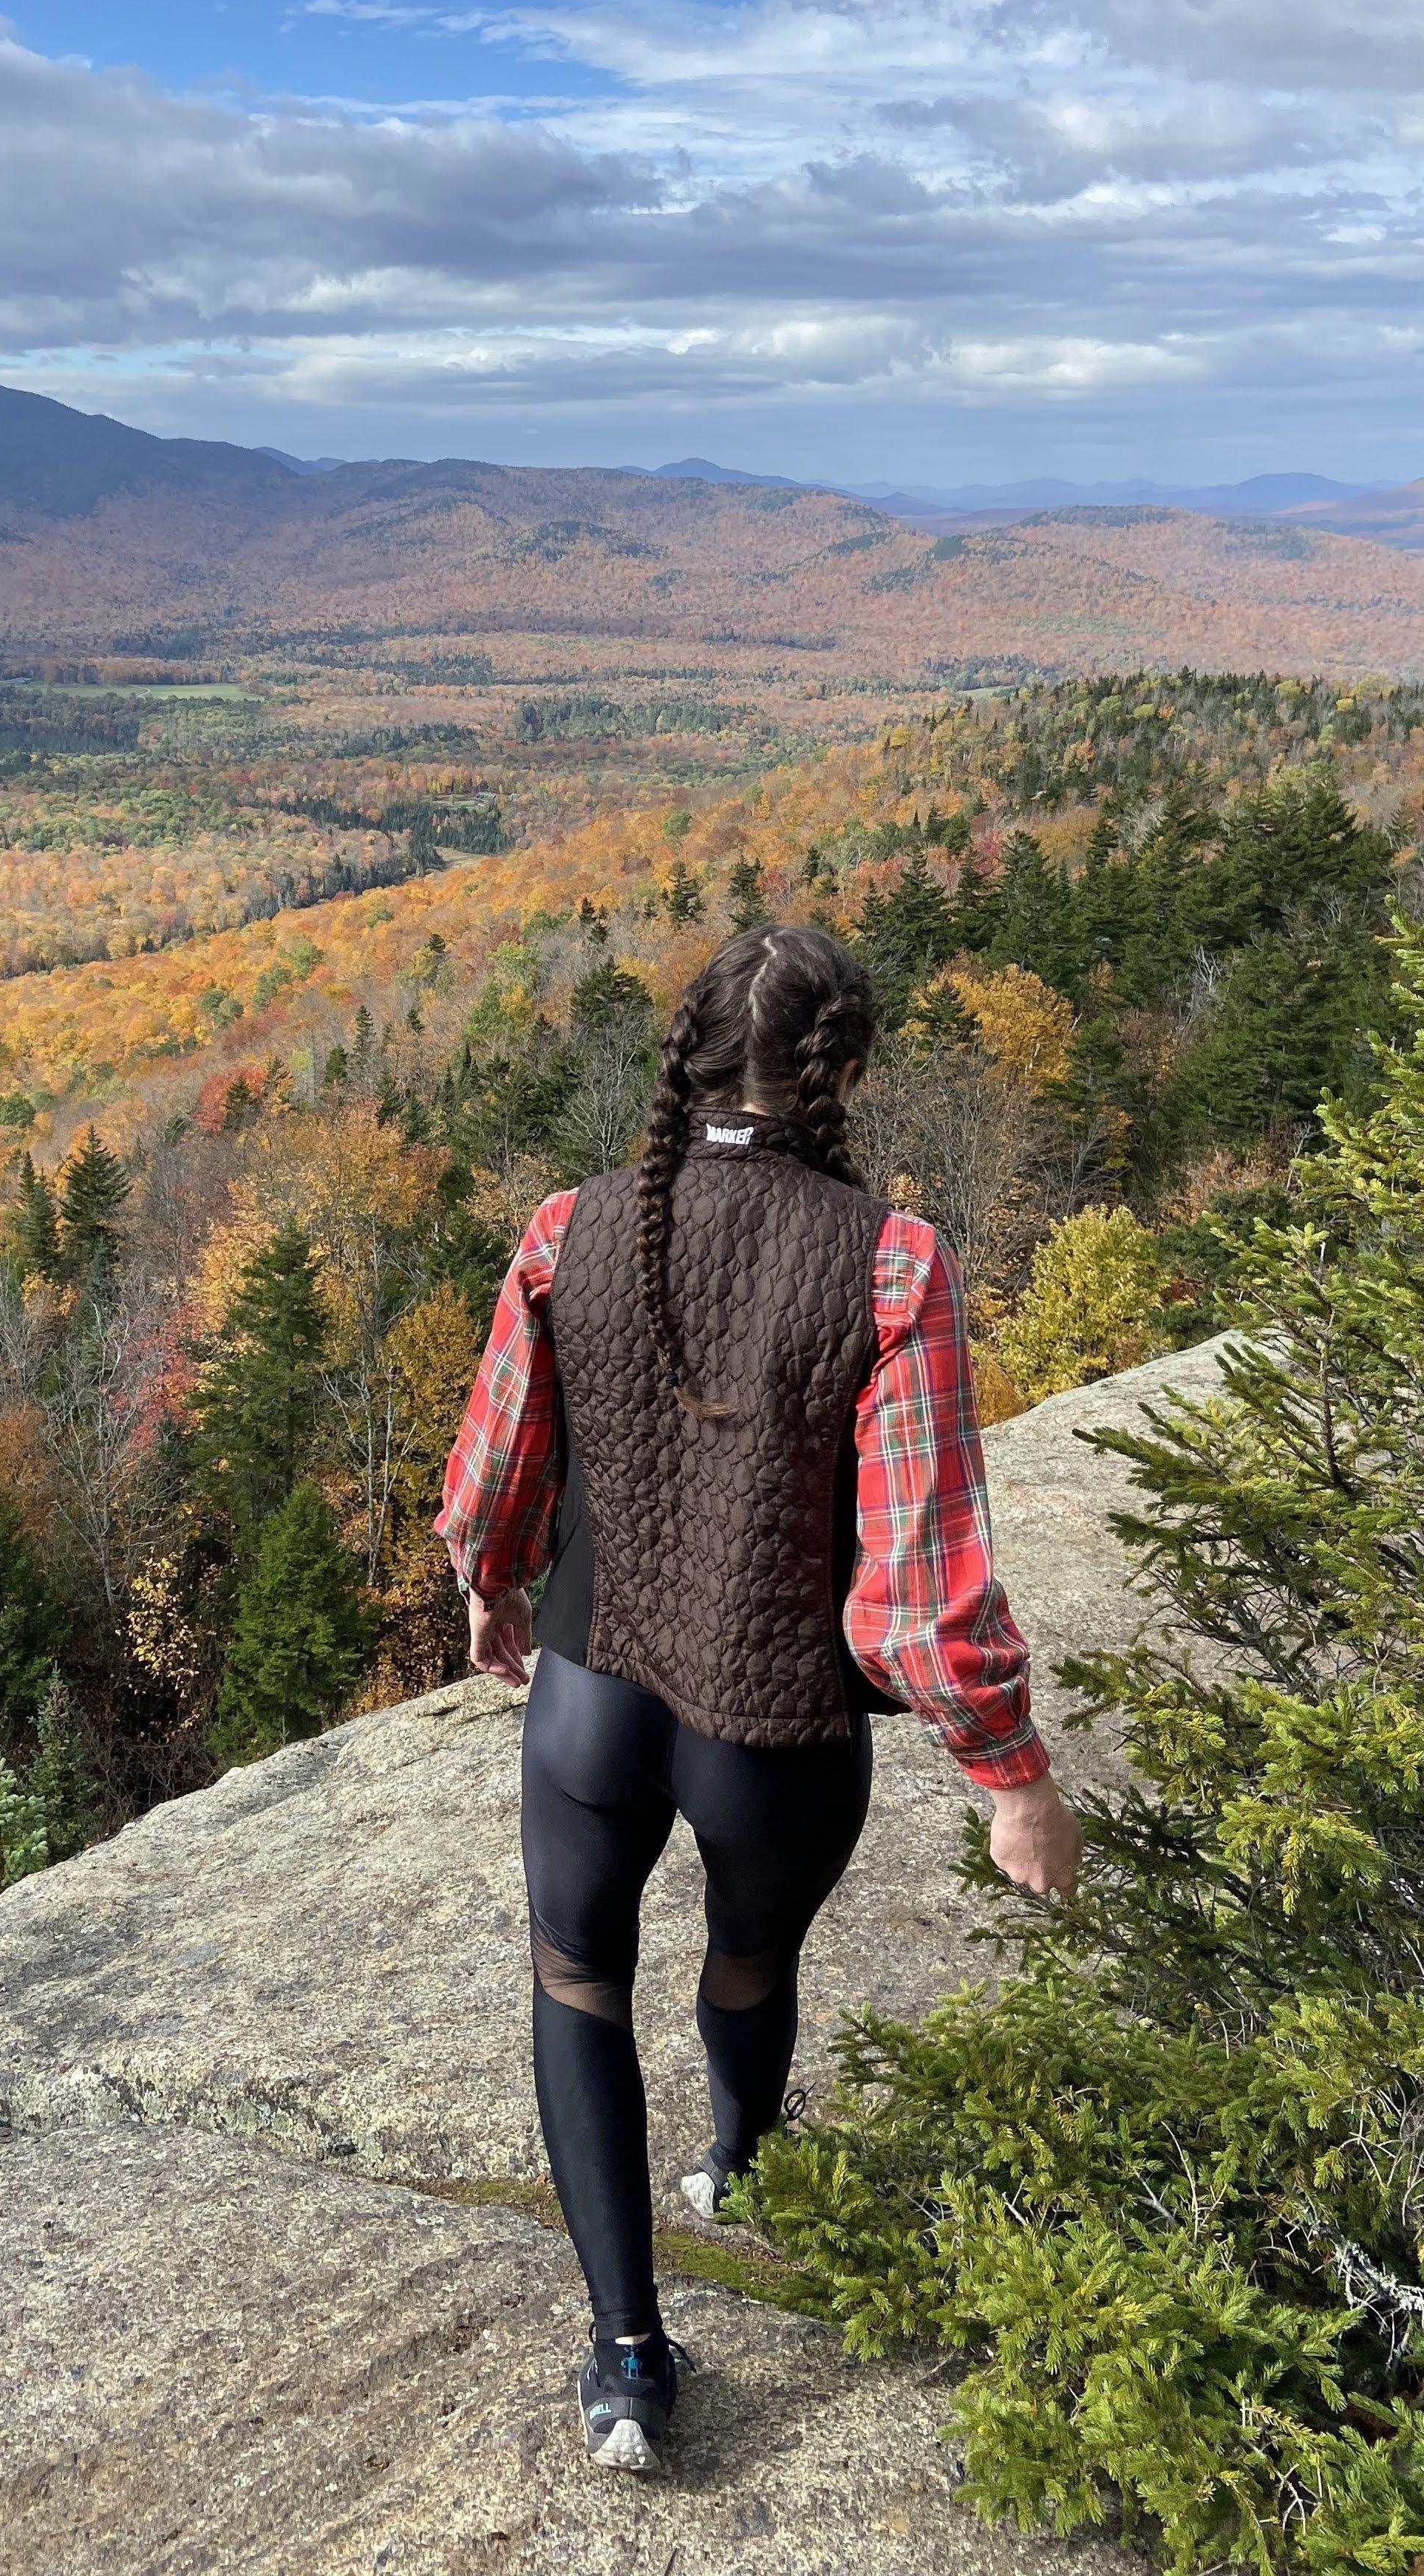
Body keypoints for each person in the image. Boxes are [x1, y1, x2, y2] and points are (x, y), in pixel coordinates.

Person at [434, 922, 1081, 2474]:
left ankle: (627, 2357)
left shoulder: (569, 1227)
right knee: (748, 1955)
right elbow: (917, 1583)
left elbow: (498, 1462)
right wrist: (1013, 1777)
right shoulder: (894, 1261)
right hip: (774, 1725)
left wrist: (492, 1579)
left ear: (691, 1054)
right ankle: (740, 2160)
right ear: (839, 1070)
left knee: (575, 1977)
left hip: (591, 1697)